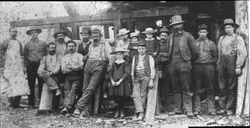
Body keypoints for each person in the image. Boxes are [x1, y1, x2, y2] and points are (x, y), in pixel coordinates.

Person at [74, 29, 112, 117]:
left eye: (97, 36)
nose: (95, 38)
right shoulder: (91, 44)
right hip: (88, 65)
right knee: (84, 88)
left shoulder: (105, 44)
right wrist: (84, 57)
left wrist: (108, 70)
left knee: (90, 88)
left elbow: (110, 58)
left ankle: (79, 107)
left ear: (100, 36)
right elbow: (89, 55)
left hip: (99, 66)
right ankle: (86, 111)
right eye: (93, 36)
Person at [167, 15, 198, 117]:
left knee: (186, 87)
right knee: (175, 87)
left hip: (184, 63)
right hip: (173, 64)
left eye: (179, 24)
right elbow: (168, 51)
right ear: (172, 26)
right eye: (175, 25)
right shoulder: (170, 37)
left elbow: (194, 51)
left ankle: (188, 109)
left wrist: (188, 60)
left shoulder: (188, 36)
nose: (177, 26)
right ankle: (178, 109)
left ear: (182, 25)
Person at [217, 19, 247, 116]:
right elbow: (218, 53)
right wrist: (218, 64)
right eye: (226, 27)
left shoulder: (238, 38)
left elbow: (242, 53)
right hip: (222, 63)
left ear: (233, 28)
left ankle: (229, 108)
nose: (227, 29)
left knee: (231, 86)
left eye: (229, 27)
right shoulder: (221, 38)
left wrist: (238, 66)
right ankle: (222, 107)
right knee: (222, 86)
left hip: (232, 62)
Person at [0, 27, 30, 109]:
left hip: (18, 67)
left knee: (20, 84)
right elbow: (1, 53)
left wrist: (23, 67)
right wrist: (2, 64)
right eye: (13, 31)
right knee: (10, 84)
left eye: (16, 32)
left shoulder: (19, 42)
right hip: (8, 67)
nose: (14, 33)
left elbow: (22, 55)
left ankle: (16, 103)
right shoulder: (5, 42)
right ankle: (10, 104)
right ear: (9, 32)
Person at [193, 24, 217, 116]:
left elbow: (215, 56)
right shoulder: (194, 43)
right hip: (197, 66)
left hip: (209, 66)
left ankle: (212, 109)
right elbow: (191, 56)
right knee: (197, 88)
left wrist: (213, 66)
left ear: (207, 33)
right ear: (198, 33)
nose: (202, 34)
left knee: (210, 87)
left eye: (204, 32)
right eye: (200, 32)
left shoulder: (211, 43)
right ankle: (196, 109)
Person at [131, 42, 156, 120]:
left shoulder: (149, 57)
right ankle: (140, 112)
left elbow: (152, 68)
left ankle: (139, 113)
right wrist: (132, 77)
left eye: (142, 49)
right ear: (137, 50)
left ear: (145, 50)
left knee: (142, 94)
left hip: (146, 76)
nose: (141, 50)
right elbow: (132, 69)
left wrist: (151, 80)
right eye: (139, 49)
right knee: (135, 94)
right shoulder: (135, 57)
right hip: (137, 77)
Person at [24, 28, 47, 108]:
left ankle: (41, 102)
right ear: (30, 34)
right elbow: (25, 56)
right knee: (31, 84)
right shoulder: (27, 44)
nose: (34, 34)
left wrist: (44, 65)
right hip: (31, 65)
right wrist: (25, 67)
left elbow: (46, 54)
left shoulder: (43, 43)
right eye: (32, 33)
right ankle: (31, 103)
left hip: (40, 64)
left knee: (41, 83)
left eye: (35, 33)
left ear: (38, 34)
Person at [60, 40, 84, 115]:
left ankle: (66, 107)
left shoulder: (79, 56)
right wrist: (75, 68)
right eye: (69, 46)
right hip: (68, 77)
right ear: (67, 47)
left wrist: (70, 67)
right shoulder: (64, 58)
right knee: (67, 91)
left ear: (75, 47)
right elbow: (63, 70)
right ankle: (69, 107)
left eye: (72, 46)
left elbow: (81, 67)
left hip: (77, 77)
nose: (71, 48)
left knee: (73, 90)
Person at [37, 42, 61, 114]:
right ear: (48, 48)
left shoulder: (58, 57)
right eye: (51, 48)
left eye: (54, 48)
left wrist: (50, 73)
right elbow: (40, 69)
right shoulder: (45, 58)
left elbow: (57, 68)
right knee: (41, 73)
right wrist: (44, 72)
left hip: (55, 75)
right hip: (47, 75)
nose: (52, 49)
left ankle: (54, 107)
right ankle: (56, 89)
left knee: (48, 77)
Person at [108, 47, 131, 118]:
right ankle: (117, 110)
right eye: (117, 54)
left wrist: (120, 81)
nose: (118, 56)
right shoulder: (113, 63)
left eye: (120, 54)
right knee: (116, 97)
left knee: (121, 97)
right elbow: (110, 73)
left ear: (123, 55)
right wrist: (112, 80)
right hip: (114, 82)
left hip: (122, 83)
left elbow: (126, 73)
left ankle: (121, 110)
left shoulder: (125, 63)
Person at [157, 26, 170, 113]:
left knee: (166, 88)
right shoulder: (156, 43)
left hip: (167, 67)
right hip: (158, 67)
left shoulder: (169, 44)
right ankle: (159, 106)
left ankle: (166, 106)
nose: (163, 37)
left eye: (165, 35)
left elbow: (170, 55)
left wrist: (160, 54)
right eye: (162, 35)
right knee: (158, 87)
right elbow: (154, 53)